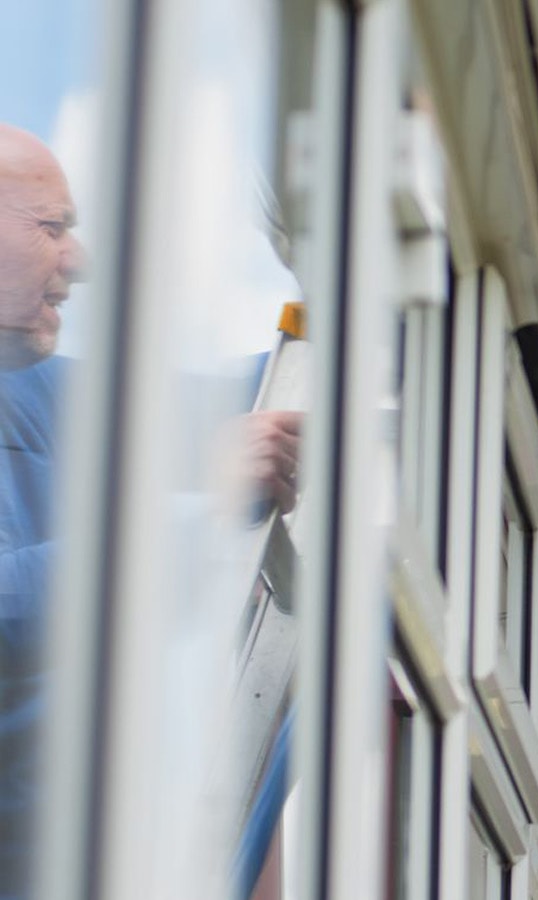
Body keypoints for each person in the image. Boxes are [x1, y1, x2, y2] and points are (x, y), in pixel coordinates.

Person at [0, 123, 300, 899]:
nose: (82, 260)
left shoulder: (33, 392)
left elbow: (223, 399)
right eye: (52, 228)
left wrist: (365, 305)